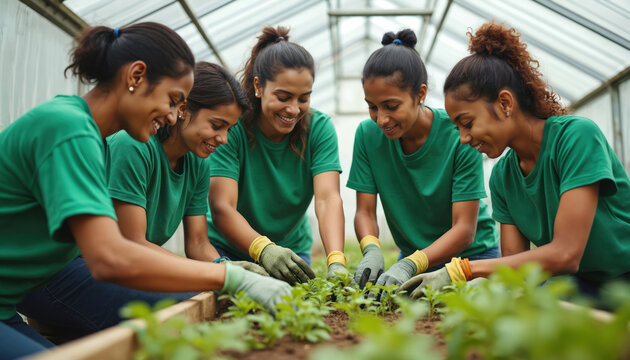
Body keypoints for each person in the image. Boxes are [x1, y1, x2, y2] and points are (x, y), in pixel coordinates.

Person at [0, 23, 290, 360]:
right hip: (37, 290)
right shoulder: (70, 129)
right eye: (172, 101)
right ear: (136, 76)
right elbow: (109, 256)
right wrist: (229, 276)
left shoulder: (91, 136)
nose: (171, 116)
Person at [400, 22, 630, 300]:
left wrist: (463, 270)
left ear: (505, 103)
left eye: (467, 123)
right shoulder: (503, 177)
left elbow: (566, 254)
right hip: (582, 286)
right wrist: (470, 291)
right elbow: (515, 270)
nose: (463, 138)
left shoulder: (576, 137)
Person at [347, 29, 499, 290]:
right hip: (415, 259)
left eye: (392, 106)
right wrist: (372, 248)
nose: (381, 119)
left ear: (421, 94)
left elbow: (464, 229)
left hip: (472, 259)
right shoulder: (367, 135)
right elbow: (364, 211)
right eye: (373, 106)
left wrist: (409, 265)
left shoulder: (458, 134)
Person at [207, 26, 350, 284]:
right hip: (226, 249)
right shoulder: (232, 129)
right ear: (258, 87)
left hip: (289, 254)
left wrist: (337, 259)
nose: (294, 109)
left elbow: (328, 198)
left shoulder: (318, 128)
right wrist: (263, 249)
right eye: (283, 97)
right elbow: (221, 207)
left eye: (303, 98)